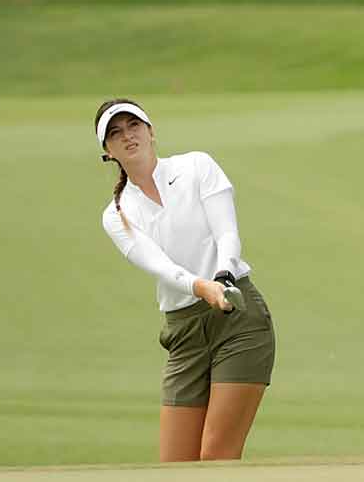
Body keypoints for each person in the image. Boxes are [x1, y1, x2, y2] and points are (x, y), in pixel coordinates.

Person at [96, 97, 276, 462]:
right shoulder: (117, 214)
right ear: (108, 151)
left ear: (151, 131)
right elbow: (160, 266)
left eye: (134, 126)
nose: (127, 136)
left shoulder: (197, 166)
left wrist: (222, 276)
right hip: (184, 334)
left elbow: (227, 232)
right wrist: (201, 287)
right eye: (115, 133)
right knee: (175, 466)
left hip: (238, 320)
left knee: (216, 455)